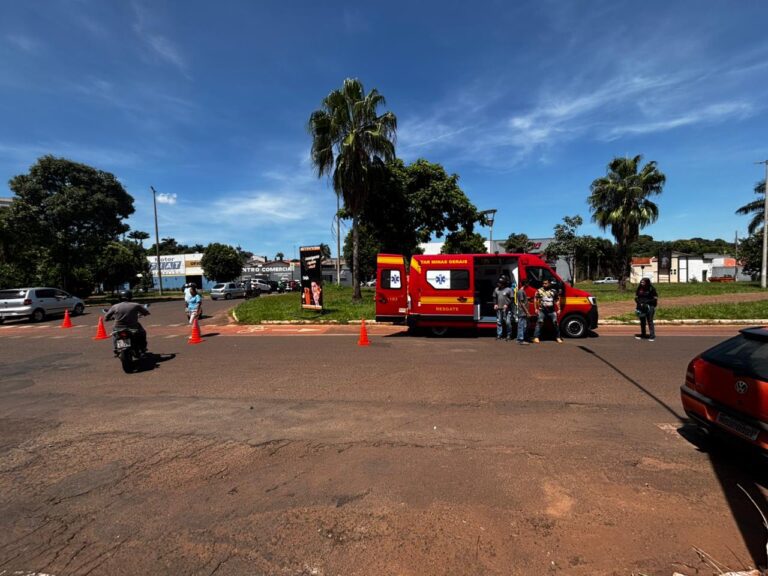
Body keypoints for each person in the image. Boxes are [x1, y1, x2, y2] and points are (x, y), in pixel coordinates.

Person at [533, 279, 563, 343]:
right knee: (540, 322)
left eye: (546, 283)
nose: (544, 285)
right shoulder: (539, 290)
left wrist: (559, 309)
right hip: (542, 310)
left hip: (552, 311)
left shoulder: (553, 291)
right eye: (543, 283)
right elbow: (535, 299)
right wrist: (536, 308)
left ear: (549, 284)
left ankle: (558, 337)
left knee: (555, 323)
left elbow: (557, 300)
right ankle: (536, 337)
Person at [492, 276, 514, 341]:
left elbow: (512, 299)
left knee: (508, 322)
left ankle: (509, 335)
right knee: (499, 322)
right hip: (499, 309)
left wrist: (507, 305)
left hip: (507, 309)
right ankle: (499, 335)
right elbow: (494, 297)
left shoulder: (509, 290)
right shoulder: (496, 289)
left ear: (503, 283)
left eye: (499, 283)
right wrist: (495, 304)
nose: (498, 284)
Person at [515, 278, 530, 345]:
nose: (528, 284)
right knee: (522, 326)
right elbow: (522, 303)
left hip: (522, 311)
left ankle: (521, 338)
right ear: (525, 283)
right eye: (528, 283)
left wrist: (527, 298)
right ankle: (520, 340)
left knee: (523, 325)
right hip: (522, 312)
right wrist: (527, 312)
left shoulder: (522, 291)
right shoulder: (521, 291)